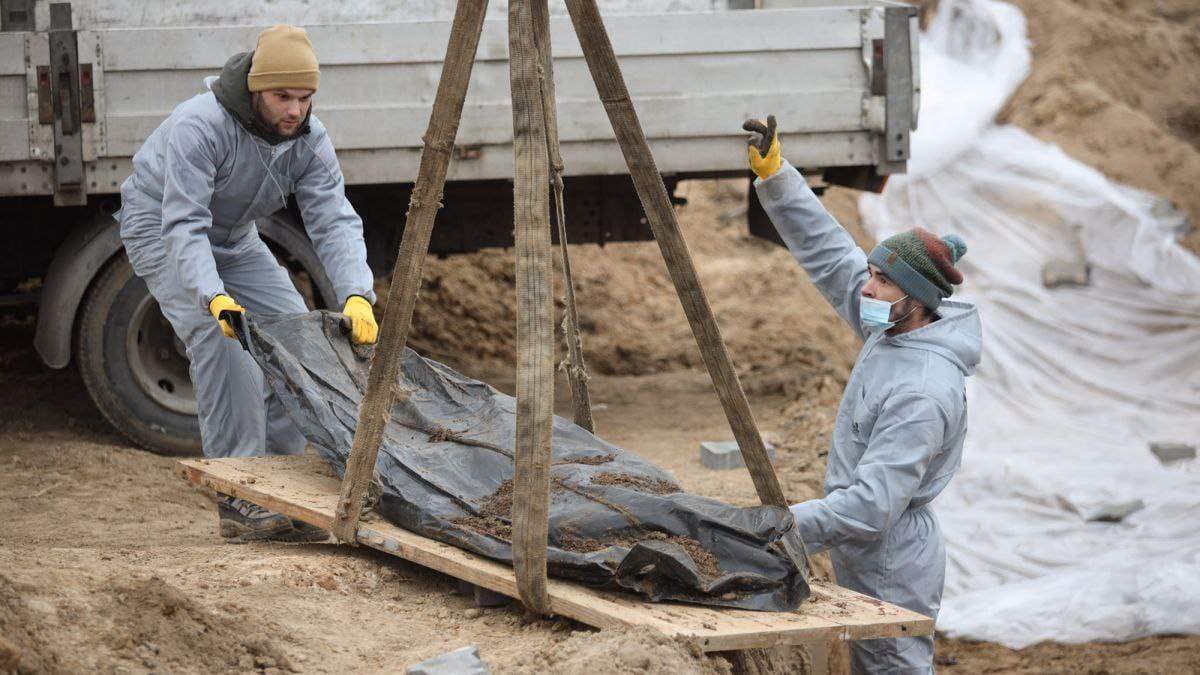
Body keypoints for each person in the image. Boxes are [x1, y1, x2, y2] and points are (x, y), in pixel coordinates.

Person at [117, 25, 379, 543]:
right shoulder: (201, 125)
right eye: (284, 96)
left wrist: (356, 291)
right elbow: (185, 226)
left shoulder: (307, 137)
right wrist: (213, 297)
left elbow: (333, 217)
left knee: (293, 337)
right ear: (256, 89)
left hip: (235, 238)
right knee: (224, 339)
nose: (295, 111)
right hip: (163, 228)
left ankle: (275, 487)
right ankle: (239, 493)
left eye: (306, 98)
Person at [744, 116, 982, 674]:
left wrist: (780, 527)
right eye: (872, 273)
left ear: (917, 299)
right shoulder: (893, 324)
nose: (866, 288)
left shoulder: (922, 390)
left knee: (892, 666)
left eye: (881, 281)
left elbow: (874, 505)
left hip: (891, 556)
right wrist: (777, 176)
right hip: (864, 543)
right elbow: (830, 254)